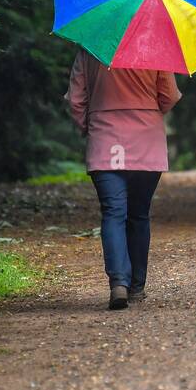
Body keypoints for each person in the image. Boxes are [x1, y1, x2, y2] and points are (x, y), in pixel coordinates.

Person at [64, 48, 181, 310]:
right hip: (145, 140)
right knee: (139, 214)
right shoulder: (155, 47)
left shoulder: (90, 48)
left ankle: (119, 282)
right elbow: (170, 96)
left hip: (105, 139)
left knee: (113, 212)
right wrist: (148, 109)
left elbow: (75, 100)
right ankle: (137, 286)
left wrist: (91, 126)